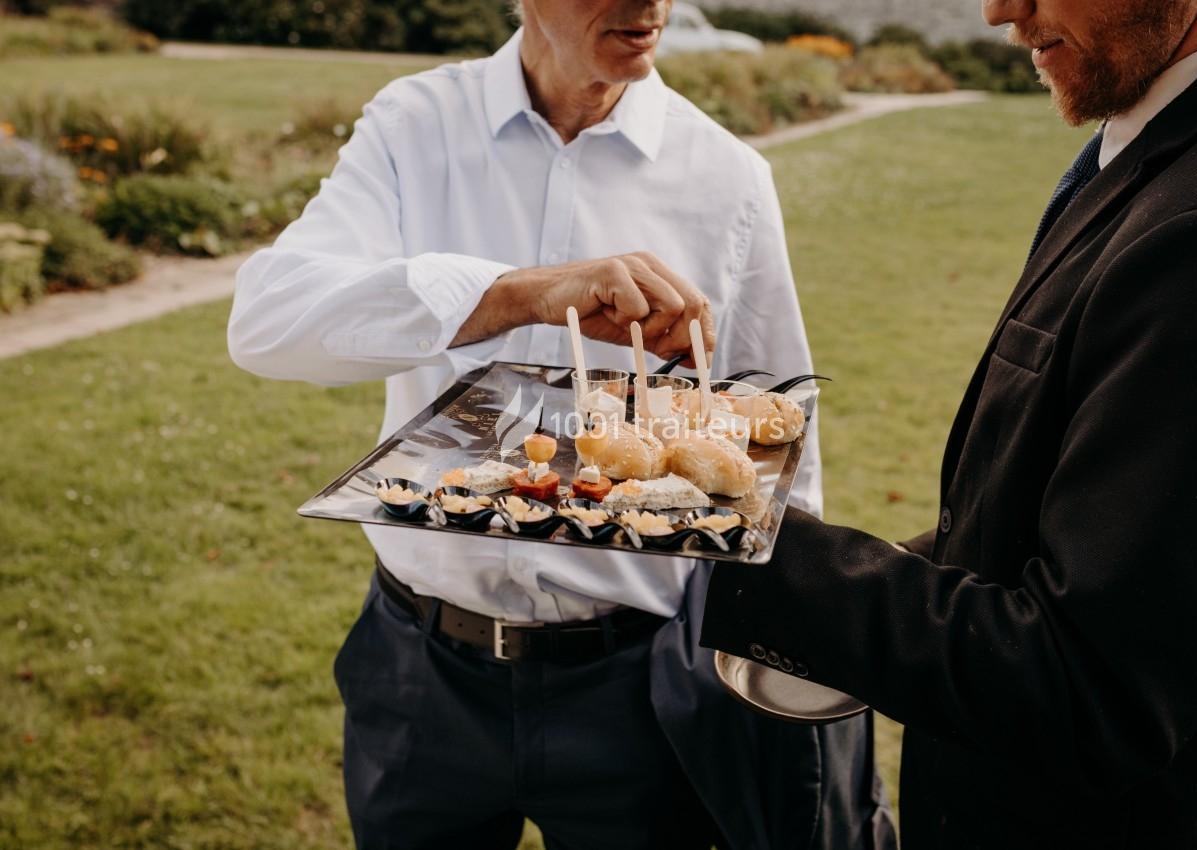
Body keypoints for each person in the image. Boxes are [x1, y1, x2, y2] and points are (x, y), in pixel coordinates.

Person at [228, 1, 893, 848]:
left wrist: (789, 641)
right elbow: (267, 322)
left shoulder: (727, 176)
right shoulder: (414, 126)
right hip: (420, 674)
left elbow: (775, 443)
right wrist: (515, 294)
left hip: (641, 687)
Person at [699, 0, 1197, 847]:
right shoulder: (1183, 136)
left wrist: (736, 536)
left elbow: (1092, 690)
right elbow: (1079, 526)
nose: (999, 10)